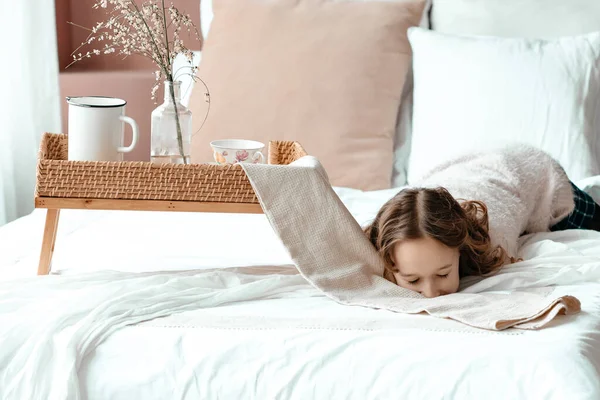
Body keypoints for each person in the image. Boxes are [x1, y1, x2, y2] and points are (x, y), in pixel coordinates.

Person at [363, 183, 600, 298]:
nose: (431, 293)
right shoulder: (386, 240)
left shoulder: (491, 244)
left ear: (461, 251)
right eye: (413, 280)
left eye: (443, 274)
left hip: (533, 179)